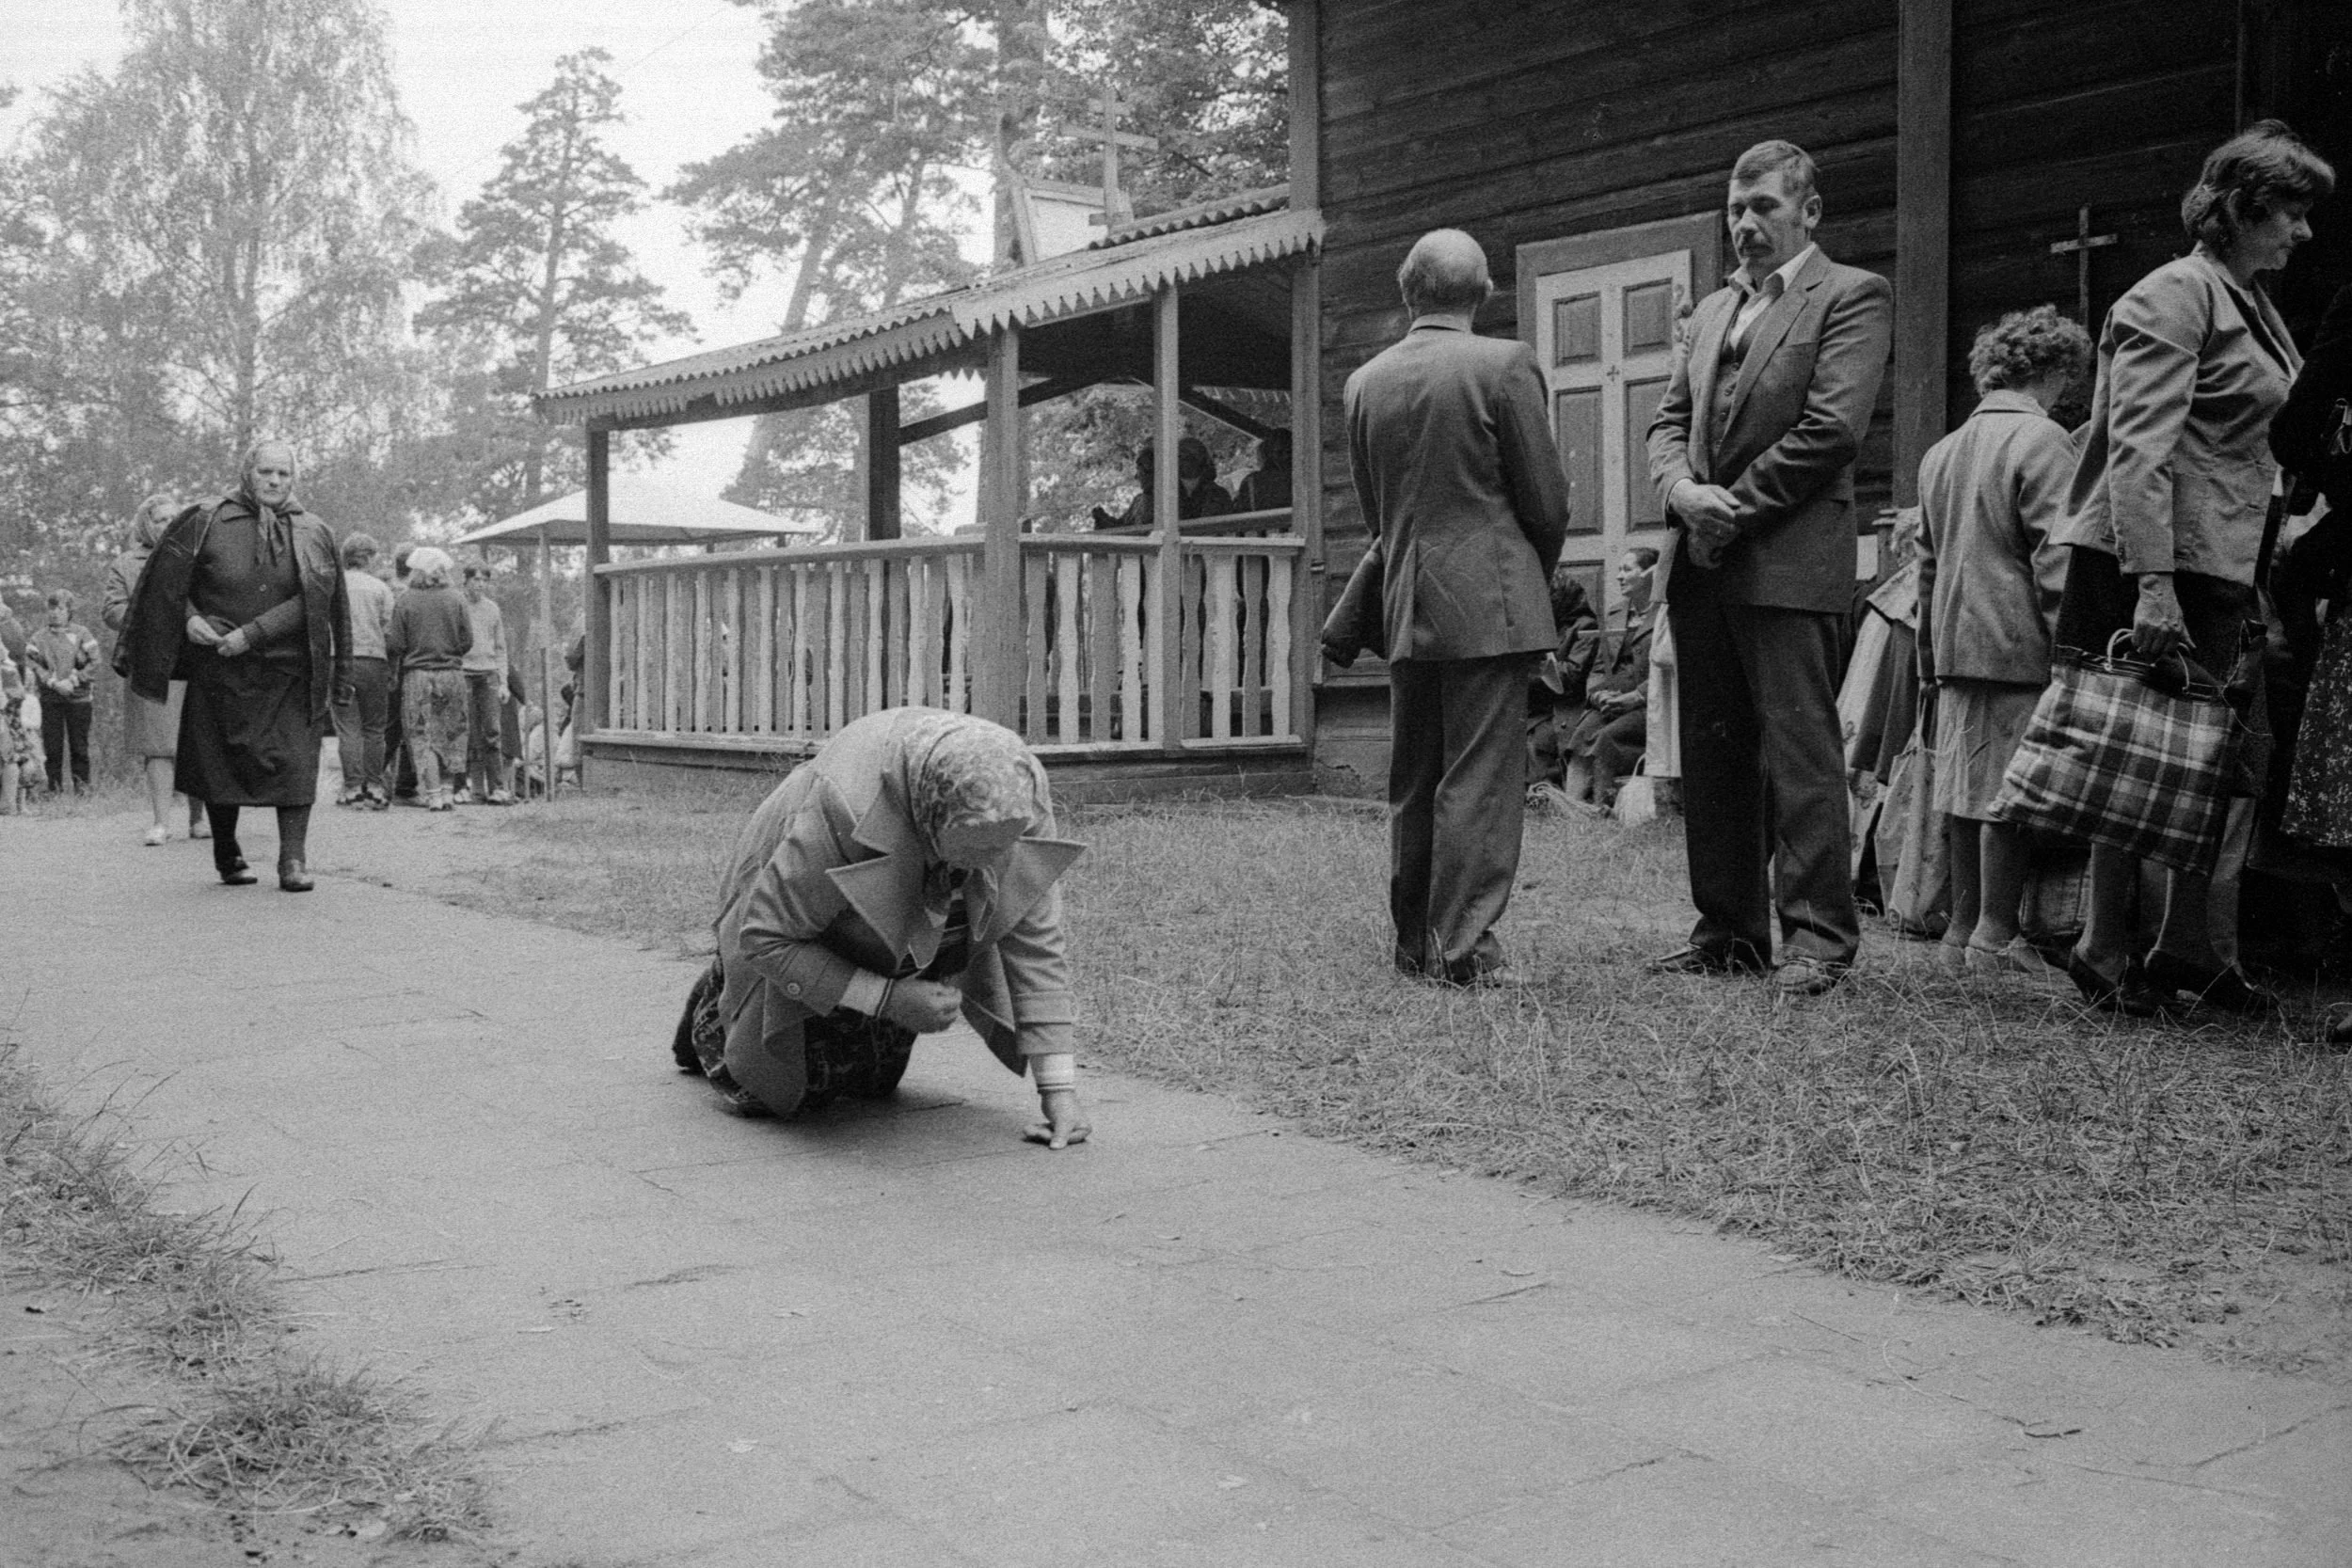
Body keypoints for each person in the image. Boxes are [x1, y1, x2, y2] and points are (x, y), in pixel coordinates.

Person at [2054, 120, 2331, 1017]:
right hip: (2154, 563)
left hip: (2219, 563)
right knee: (2136, 751)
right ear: (2241, 208)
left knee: (2208, 760)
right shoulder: (2172, 296)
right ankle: (2103, 948)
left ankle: (2186, 947)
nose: (2304, 232)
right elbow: (2139, 450)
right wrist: (2154, 585)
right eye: (2291, 212)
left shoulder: (2245, 300)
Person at [1644, 138, 1895, 997]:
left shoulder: (1852, 295)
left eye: (1764, 208)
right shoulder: (1713, 310)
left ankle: (1819, 937)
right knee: (1715, 756)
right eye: (1735, 209)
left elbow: (1832, 431)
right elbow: (1668, 421)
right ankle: (1729, 932)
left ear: (1809, 212)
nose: (1745, 224)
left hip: (1787, 562)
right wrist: (1682, 492)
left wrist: (1730, 511)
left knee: (1800, 753)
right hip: (1700, 562)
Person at [670, 707, 1090, 1146]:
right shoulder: (843, 807)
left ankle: (856, 987)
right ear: (931, 820)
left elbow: (1036, 943)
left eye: (1004, 846)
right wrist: (889, 999)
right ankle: (720, 997)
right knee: (774, 1087)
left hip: (894, 887)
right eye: (975, 848)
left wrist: (1058, 1090)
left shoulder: (1021, 794)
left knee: (873, 1083)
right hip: (791, 908)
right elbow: (766, 937)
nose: (993, 864)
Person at [1338, 228, 1571, 984]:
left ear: (1408, 291)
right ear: (1485, 291)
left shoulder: (1363, 382)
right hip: (1491, 603)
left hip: (1407, 599)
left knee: (1415, 776)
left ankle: (1415, 943)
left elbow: (1377, 513)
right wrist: (1526, 577)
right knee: (1480, 779)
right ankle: (1463, 949)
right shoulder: (1505, 364)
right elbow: (1546, 503)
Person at [1915, 306, 2091, 986]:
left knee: (1966, 787)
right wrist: (2072, 651)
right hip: (2020, 644)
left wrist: (1928, 661)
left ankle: (1961, 930)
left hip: (1955, 647)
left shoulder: (1941, 451)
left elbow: (1927, 568)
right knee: (2009, 794)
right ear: (2051, 370)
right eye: (2067, 376)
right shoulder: (2043, 440)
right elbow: (2057, 559)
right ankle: (1997, 931)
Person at [121, 440, 352, 892]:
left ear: (294, 479)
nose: (274, 481)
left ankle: (293, 859)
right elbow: (166, 586)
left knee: (294, 760)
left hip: (289, 670)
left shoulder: (314, 530)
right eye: (266, 472)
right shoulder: (205, 519)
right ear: (248, 472)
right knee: (219, 761)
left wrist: (255, 633)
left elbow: (318, 599)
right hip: (219, 668)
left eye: (283, 474)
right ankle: (227, 852)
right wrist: (189, 620)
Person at [103, 493, 208, 844]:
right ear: (146, 524)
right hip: (149, 662)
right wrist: (147, 617)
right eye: (160, 519)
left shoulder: (198, 557)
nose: (167, 525)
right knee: (157, 744)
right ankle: (161, 822)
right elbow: (112, 610)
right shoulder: (126, 563)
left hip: (194, 659)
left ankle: (198, 819)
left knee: (197, 741)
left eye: (173, 518)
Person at [1558, 547, 1661, 813]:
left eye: (1627, 570)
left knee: (1608, 737)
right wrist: (1597, 694)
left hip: (1650, 702)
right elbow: (1599, 667)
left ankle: (1601, 807)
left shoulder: (1665, 614)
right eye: (1618, 570)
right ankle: (1574, 809)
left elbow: (1669, 670)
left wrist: (1636, 696)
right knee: (1582, 733)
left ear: (1650, 574)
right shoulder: (1616, 614)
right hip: (1613, 698)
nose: (1619, 576)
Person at [385, 547, 472, 812]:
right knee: (452, 733)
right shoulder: (457, 598)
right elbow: (467, 640)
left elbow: (396, 643)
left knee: (422, 734)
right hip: (451, 674)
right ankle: (447, 792)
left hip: (418, 676)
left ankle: (433, 794)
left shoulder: (406, 600)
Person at [326, 532, 395, 808]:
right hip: (373, 661)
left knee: (347, 727)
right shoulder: (380, 588)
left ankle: (353, 786)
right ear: (368, 558)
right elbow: (390, 630)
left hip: (339, 660)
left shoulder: (333, 586)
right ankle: (375, 786)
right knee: (374, 727)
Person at [24, 589, 101, 797]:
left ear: (69, 611)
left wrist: (74, 680)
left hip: (79, 698)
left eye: (60, 608)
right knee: (52, 747)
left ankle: (82, 788)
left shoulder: (82, 634)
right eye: (51, 608)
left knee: (79, 746)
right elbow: (30, 662)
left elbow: (95, 661)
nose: (54, 613)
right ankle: (53, 790)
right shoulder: (39, 637)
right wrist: (51, 681)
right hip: (51, 698)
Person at [1089, 436, 1232, 530]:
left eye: (1185, 457)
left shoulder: (1217, 495)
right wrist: (1105, 522)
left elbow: (1206, 530)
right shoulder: (1145, 500)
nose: (1138, 477)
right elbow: (1124, 530)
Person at [458, 561, 513, 805]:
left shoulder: (492, 609)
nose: (479, 585)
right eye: (476, 579)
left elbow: (501, 648)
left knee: (492, 731)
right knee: (465, 731)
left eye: (484, 580)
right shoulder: (458, 605)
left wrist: (503, 682)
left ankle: (498, 787)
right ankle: (464, 786)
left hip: (488, 673)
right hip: (463, 672)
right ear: (466, 580)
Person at [1233, 429, 1295, 514]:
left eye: (1290, 452)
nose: (1286, 457)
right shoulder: (1252, 482)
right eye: (1279, 453)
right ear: (1269, 454)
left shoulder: (1305, 478)